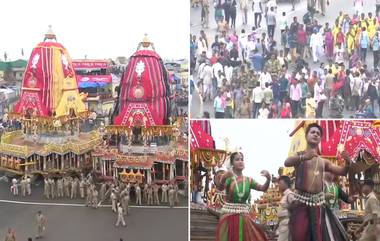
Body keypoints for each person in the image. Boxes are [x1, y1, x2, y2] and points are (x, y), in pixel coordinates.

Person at [284, 123, 352, 241]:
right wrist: (303, 157)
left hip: (318, 205)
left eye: (318, 134)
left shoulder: (323, 162)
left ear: (320, 139)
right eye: (312, 132)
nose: (315, 135)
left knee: (318, 237)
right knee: (299, 235)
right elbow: (287, 162)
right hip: (301, 203)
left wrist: (348, 163)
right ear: (306, 136)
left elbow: (342, 172)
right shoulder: (299, 155)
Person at [215, 152, 270, 241]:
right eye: (237, 159)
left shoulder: (249, 180)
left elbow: (262, 188)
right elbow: (220, 188)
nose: (240, 161)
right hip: (230, 215)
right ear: (232, 163)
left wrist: (268, 180)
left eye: (242, 159)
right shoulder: (229, 178)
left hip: (244, 216)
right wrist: (224, 177)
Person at [276, 176, 295, 241]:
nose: (279, 185)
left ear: (286, 183)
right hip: (282, 223)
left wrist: (287, 206)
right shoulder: (284, 195)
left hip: (287, 223)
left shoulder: (289, 194)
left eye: (280, 183)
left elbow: (295, 207)